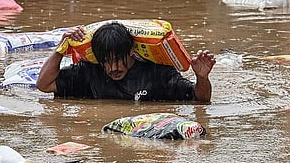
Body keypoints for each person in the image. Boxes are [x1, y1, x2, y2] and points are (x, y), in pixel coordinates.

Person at [36, 22, 216, 103]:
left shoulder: (158, 74)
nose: (113, 68)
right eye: (106, 61)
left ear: (132, 52)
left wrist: (201, 78)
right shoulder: (88, 73)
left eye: (118, 60)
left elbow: (201, 100)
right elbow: (44, 84)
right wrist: (61, 48)